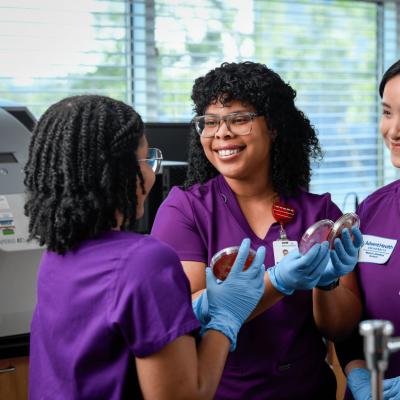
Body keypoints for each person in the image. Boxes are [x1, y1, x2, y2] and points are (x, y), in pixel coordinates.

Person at [25, 94, 267, 400]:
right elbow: (185, 396)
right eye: (146, 159)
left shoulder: (56, 255)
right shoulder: (145, 261)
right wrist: (225, 319)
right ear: (125, 172)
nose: (151, 172)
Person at [151, 61, 363, 399]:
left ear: (274, 127)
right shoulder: (185, 210)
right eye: (210, 122)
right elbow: (184, 314)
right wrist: (277, 282)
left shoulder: (319, 211)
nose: (222, 133)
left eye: (239, 119)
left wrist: (328, 281)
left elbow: (339, 328)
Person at [336, 60, 400, 400]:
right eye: (388, 112)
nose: (394, 130)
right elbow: (351, 322)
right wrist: (358, 374)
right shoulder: (370, 212)